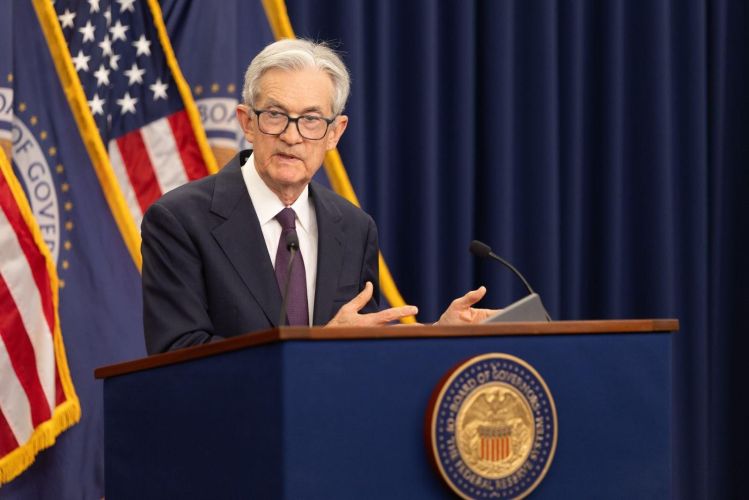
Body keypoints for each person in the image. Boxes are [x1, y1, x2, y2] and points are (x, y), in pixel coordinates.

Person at [142, 39, 495, 354]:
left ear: (335, 133)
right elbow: (178, 355)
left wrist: (438, 335)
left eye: (311, 119)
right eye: (275, 115)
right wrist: (321, 344)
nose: (291, 136)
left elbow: (366, 352)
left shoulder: (355, 228)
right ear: (247, 122)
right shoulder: (179, 221)